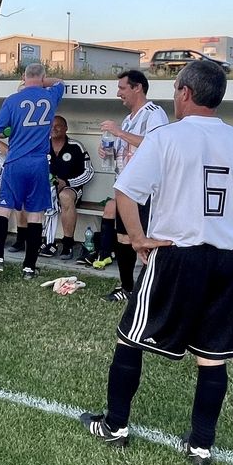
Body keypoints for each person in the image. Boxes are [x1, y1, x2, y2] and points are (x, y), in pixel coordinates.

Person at [79, 59, 233, 465]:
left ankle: (115, 425)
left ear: (184, 92)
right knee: (212, 355)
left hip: (175, 255)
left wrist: (138, 238)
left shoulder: (166, 137)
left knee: (130, 338)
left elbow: (126, 191)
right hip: (224, 261)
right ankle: (200, 446)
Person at [92, 69, 170, 300]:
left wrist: (119, 132)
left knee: (148, 240)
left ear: (138, 87)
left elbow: (157, 147)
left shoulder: (154, 114)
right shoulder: (128, 120)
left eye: (122, 88)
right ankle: (127, 288)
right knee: (124, 238)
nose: (118, 93)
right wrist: (107, 149)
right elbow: (125, 150)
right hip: (126, 190)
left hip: (147, 192)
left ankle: (154, 291)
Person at [0, 63, 66, 280]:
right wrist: (43, 82)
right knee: (35, 215)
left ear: (23, 77)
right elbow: (60, 82)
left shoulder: (13, 99)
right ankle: (29, 267)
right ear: (43, 77)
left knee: (3, 210)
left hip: (15, 162)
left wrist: (12, 129)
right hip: (39, 163)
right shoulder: (51, 96)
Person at [44, 114, 94, 260]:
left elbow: (89, 172)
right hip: (47, 188)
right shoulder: (42, 145)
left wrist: (67, 183)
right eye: (51, 126)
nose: (54, 128)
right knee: (27, 194)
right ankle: (43, 241)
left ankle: (67, 244)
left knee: (64, 196)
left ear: (66, 128)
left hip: (71, 188)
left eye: (58, 126)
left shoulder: (76, 147)